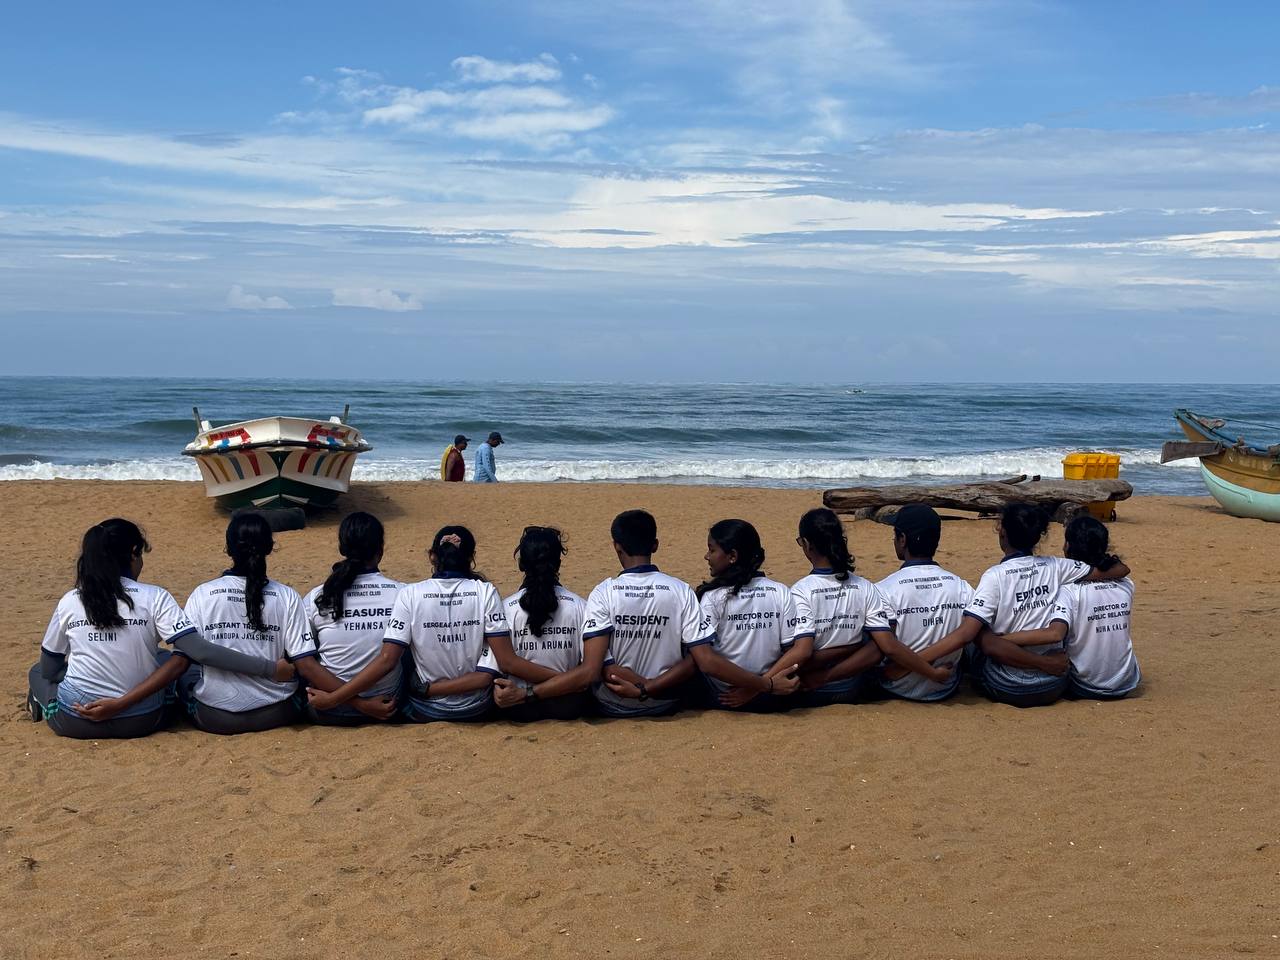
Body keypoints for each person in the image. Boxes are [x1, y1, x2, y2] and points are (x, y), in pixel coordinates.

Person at [907, 503, 1132, 708]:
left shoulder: (995, 576)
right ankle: (1040, 661)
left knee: (978, 636)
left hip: (1008, 686)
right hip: (1053, 684)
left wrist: (913, 662)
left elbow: (967, 636)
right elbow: (1120, 570)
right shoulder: (1058, 566)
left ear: (1002, 533)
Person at [306, 526, 509, 722]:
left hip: (416, 709)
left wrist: (335, 699)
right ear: (471, 556)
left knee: (309, 654)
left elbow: (386, 659)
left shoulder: (409, 593)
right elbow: (499, 665)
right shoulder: (486, 591)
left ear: (432, 556)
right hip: (473, 707)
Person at [28, 518, 195, 739]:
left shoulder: (70, 600)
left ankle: (43, 703)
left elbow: (50, 669)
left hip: (76, 720)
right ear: (134, 553)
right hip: (142, 720)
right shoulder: (155, 596)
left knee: (37, 671)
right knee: (165, 660)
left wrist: (93, 675)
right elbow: (184, 658)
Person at [789, 508, 953, 706]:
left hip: (814, 687)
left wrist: (766, 682)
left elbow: (801, 653)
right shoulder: (865, 587)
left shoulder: (799, 591)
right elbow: (883, 647)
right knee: (874, 636)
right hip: (851, 686)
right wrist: (852, 647)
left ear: (807, 544)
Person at [182, 513, 313, 734]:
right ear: (269, 548)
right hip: (278, 712)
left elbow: (188, 655)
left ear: (228, 549)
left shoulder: (202, 594)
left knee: (185, 673)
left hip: (214, 716)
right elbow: (304, 660)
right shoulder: (288, 596)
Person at [985, 515, 1140, 700]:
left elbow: (1054, 634)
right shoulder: (1126, 584)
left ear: (1068, 546)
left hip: (1086, 685)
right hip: (1127, 681)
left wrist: (1003, 640)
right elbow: (1120, 569)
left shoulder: (1069, 591)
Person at [585, 509, 711, 717]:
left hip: (615, 702)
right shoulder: (681, 590)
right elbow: (696, 659)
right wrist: (650, 688)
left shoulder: (603, 592)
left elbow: (601, 667)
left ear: (617, 546)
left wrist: (640, 690)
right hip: (666, 699)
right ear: (655, 545)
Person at [479, 526, 607, 721]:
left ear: (521, 565)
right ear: (558, 564)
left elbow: (497, 667)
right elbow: (590, 670)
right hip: (568, 705)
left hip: (518, 707)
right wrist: (567, 681)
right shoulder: (582, 607)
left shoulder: (504, 609)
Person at [298, 512, 403, 725]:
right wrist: (362, 704)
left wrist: (338, 700)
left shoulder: (317, 596)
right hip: (387, 705)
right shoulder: (403, 593)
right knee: (404, 643)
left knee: (306, 650)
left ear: (342, 549)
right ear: (380, 551)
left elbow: (304, 663)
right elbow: (388, 660)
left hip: (329, 709)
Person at [689, 519, 804, 711]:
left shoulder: (713, 597)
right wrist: (764, 683)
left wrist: (759, 686)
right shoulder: (780, 591)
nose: (707, 556)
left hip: (724, 695)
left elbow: (707, 662)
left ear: (732, 556)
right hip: (770, 694)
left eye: (712, 550)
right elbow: (791, 650)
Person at [875, 505, 974, 702]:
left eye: (895, 536)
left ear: (902, 540)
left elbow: (886, 647)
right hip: (946, 685)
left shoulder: (883, 589)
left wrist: (898, 669)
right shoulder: (962, 587)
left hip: (897, 687)